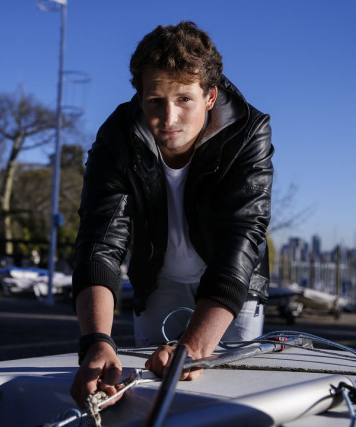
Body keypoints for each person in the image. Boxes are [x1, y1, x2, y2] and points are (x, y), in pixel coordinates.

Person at [69, 21, 273, 408]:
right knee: (146, 395)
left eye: (184, 99)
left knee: (228, 402)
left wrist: (195, 345)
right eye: (155, 100)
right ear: (140, 96)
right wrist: (96, 341)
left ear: (210, 96)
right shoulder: (117, 137)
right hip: (156, 282)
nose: (169, 117)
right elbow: (100, 240)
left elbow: (242, 232)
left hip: (231, 290)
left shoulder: (248, 132)